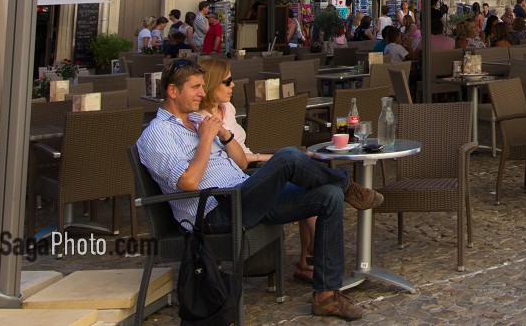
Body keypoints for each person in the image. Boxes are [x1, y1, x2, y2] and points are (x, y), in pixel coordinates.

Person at [137, 59, 381, 320]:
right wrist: (206, 139)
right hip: (215, 212)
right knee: (288, 157)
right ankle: (346, 184)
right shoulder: (158, 134)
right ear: (173, 91)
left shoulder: (197, 120)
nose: (201, 92)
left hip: (242, 193)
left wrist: (223, 135)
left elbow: (241, 162)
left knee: (328, 197)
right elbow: (188, 183)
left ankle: (326, 296)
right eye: (195, 87)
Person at [198, 58, 319, 283]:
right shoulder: (201, 121)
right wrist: (270, 158)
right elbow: (232, 160)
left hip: (247, 167)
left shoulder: (228, 109)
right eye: (228, 82)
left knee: (305, 178)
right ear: (211, 84)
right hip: (236, 182)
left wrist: (267, 157)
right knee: (298, 166)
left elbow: (242, 153)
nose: (233, 85)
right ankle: (314, 247)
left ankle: (307, 257)